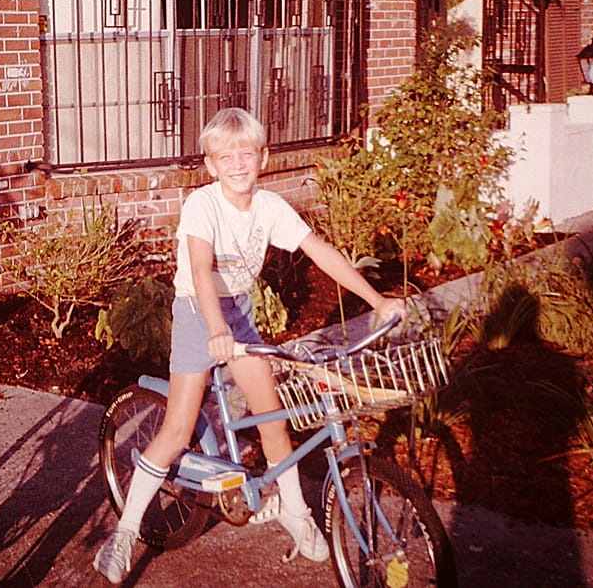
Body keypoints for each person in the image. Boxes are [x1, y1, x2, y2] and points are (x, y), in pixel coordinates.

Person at [93, 107, 406, 584]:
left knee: (273, 417)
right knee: (177, 429)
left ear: (263, 157)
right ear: (211, 165)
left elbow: (320, 251)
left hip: (238, 310)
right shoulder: (202, 205)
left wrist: (377, 300)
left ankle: (296, 513)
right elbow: (201, 272)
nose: (237, 164)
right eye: (226, 156)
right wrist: (217, 331)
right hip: (197, 313)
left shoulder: (270, 206)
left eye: (246, 153)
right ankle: (126, 531)